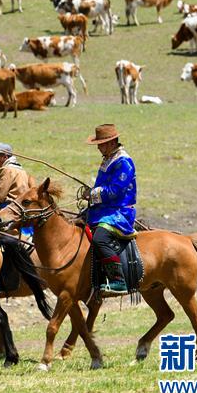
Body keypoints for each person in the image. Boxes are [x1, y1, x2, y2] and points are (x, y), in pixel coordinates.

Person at [81, 124, 136, 295]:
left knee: (100, 239)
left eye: (102, 143)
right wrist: (91, 192)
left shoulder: (124, 162)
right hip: (103, 209)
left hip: (119, 212)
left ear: (112, 143)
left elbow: (115, 191)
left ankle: (117, 280)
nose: (98, 147)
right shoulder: (109, 158)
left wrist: (93, 194)